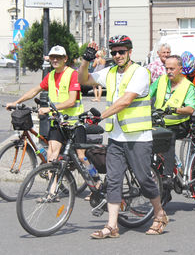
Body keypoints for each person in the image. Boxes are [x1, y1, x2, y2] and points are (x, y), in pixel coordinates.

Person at [77, 35, 168, 238]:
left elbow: (126, 101)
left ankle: (160, 214)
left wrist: (100, 116)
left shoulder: (140, 73)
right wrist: (85, 60)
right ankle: (112, 226)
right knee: (114, 180)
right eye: (114, 52)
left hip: (138, 137)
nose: (117, 55)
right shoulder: (109, 72)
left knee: (144, 179)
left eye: (122, 51)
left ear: (129, 52)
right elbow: (83, 79)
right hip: (117, 137)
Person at [5, 45, 94, 199]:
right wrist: (16, 101)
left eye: (58, 57)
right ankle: (52, 191)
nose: (54, 59)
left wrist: (49, 109)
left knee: (81, 157)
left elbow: (72, 101)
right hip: (58, 122)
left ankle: (96, 184)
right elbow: (35, 90)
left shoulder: (72, 74)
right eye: (52, 57)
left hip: (75, 123)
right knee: (52, 156)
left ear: (65, 59)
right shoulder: (51, 76)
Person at [150, 55, 195, 203]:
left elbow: (190, 109)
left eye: (172, 69)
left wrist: (176, 109)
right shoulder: (161, 80)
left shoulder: (188, 86)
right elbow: (147, 95)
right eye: (166, 68)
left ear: (180, 69)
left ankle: (168, 177)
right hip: (160, 122)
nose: (168, 71)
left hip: (179, 124)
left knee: (167, 138)